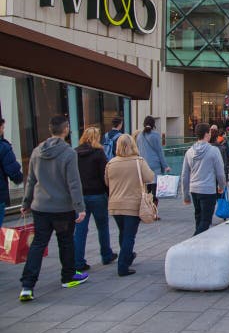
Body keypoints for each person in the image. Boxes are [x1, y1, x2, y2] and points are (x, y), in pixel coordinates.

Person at [19, 115, 88, 302]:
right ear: (65, 130)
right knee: (65, 241)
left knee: (38, 244)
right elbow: (73, 183)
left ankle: (27, 285)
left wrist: (26, 203)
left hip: (40, 207)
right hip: (62, 208)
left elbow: (31, 180)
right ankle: (68, 276)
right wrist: (80, 207)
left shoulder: (36, 151)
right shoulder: (68, 153)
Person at [105, 134, 154, 276]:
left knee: (123, 232)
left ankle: (127, 256)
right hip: (132, 204)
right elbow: (150, 177)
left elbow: (107, 182)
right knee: (129, 236)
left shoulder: (111, 163)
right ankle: (123, 265)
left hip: (115, 204)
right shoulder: (139, 161)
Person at [74, 127, 116, 272]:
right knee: (102, 226)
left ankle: (78, 262)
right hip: (98, 194)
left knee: (80, 229)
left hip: (80, 196)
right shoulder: (99, 153)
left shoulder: (75, 153)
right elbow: (106, 176)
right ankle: (106, 254)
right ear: (97, 138)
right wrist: (109, 193)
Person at [181, 123, 226, 236]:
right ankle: (193, 241)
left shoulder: (189, 152)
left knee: (198, 217)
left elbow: (184, 175)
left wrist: (185, 195)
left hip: (194, 189)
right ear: (207, 134)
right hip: (208, 189)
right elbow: (220, 173)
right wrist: (222, 187)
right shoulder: (214, 151)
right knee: (205, 221)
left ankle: (199, 246)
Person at [135, 116, 169, 209]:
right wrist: (165, 165)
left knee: (146, 189)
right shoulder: (155, 135)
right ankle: (154, 210)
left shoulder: (139, 136)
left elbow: (138, 151)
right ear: (153, 124)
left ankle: (147, 208)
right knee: (155, 189)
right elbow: (159, 151)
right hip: (155, 165)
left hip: (143, 165)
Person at [0, 117, 24, 227]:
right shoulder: (3, 147)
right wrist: (20, 179)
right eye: (2, 127)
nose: (3, 130)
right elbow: (13, 171)